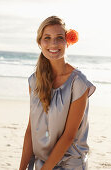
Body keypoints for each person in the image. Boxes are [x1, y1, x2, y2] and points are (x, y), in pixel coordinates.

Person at [19, 16, 96, 170]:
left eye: (59, 38)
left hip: (71, 164)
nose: (53, 43)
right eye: (47, 38)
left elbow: (69, 136)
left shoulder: (78, 82)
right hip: (42, 162)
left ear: (68, 41)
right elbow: (30, 130)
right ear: (40, 43)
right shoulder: (34, 81)